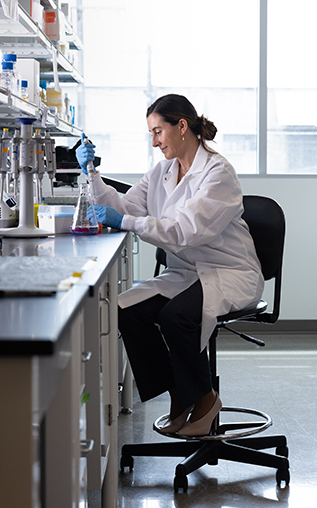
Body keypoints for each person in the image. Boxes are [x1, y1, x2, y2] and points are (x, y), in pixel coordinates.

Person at [75, 94, 264, 437]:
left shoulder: (218, 174)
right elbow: (126, 206)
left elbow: (183, 233)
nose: (154, 141)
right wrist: (92, 174)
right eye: (151, 133)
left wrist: (124, 221)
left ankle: (205, 400)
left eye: (158, 131)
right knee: (126, 309)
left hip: (228, 273)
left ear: (182, 126)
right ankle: (181, 393)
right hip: (186, 274)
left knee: (174, 315)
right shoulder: (162, 171)